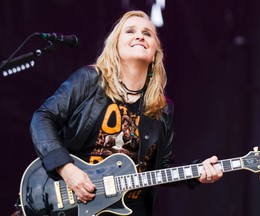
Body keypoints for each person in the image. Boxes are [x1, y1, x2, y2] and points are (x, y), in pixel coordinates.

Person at [30, 10, 223, 216]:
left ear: (155, 52)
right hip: (74, 203)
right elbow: (42, 118)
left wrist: (197, 173)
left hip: (130, 209)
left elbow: (161, 167)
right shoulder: (90, 80)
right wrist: (67, 169)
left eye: (147, 33)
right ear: (115, 46)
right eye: (130, 31)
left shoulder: (162, 108)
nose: (139, 36)